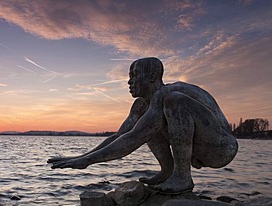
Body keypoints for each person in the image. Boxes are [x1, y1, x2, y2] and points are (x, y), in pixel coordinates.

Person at [48, 57, 238, 194]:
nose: (129, 81)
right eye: (129, 76)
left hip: (220, 147)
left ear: (153, 77)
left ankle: (182, 177)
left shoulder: (167, 93)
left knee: (173, 102)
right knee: (148, 122)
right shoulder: (142, 105)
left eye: (135, 75)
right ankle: (168, 172)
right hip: (198, 149)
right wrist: (80, 157)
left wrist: (88, 161)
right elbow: (120, 136)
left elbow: (133, 139)